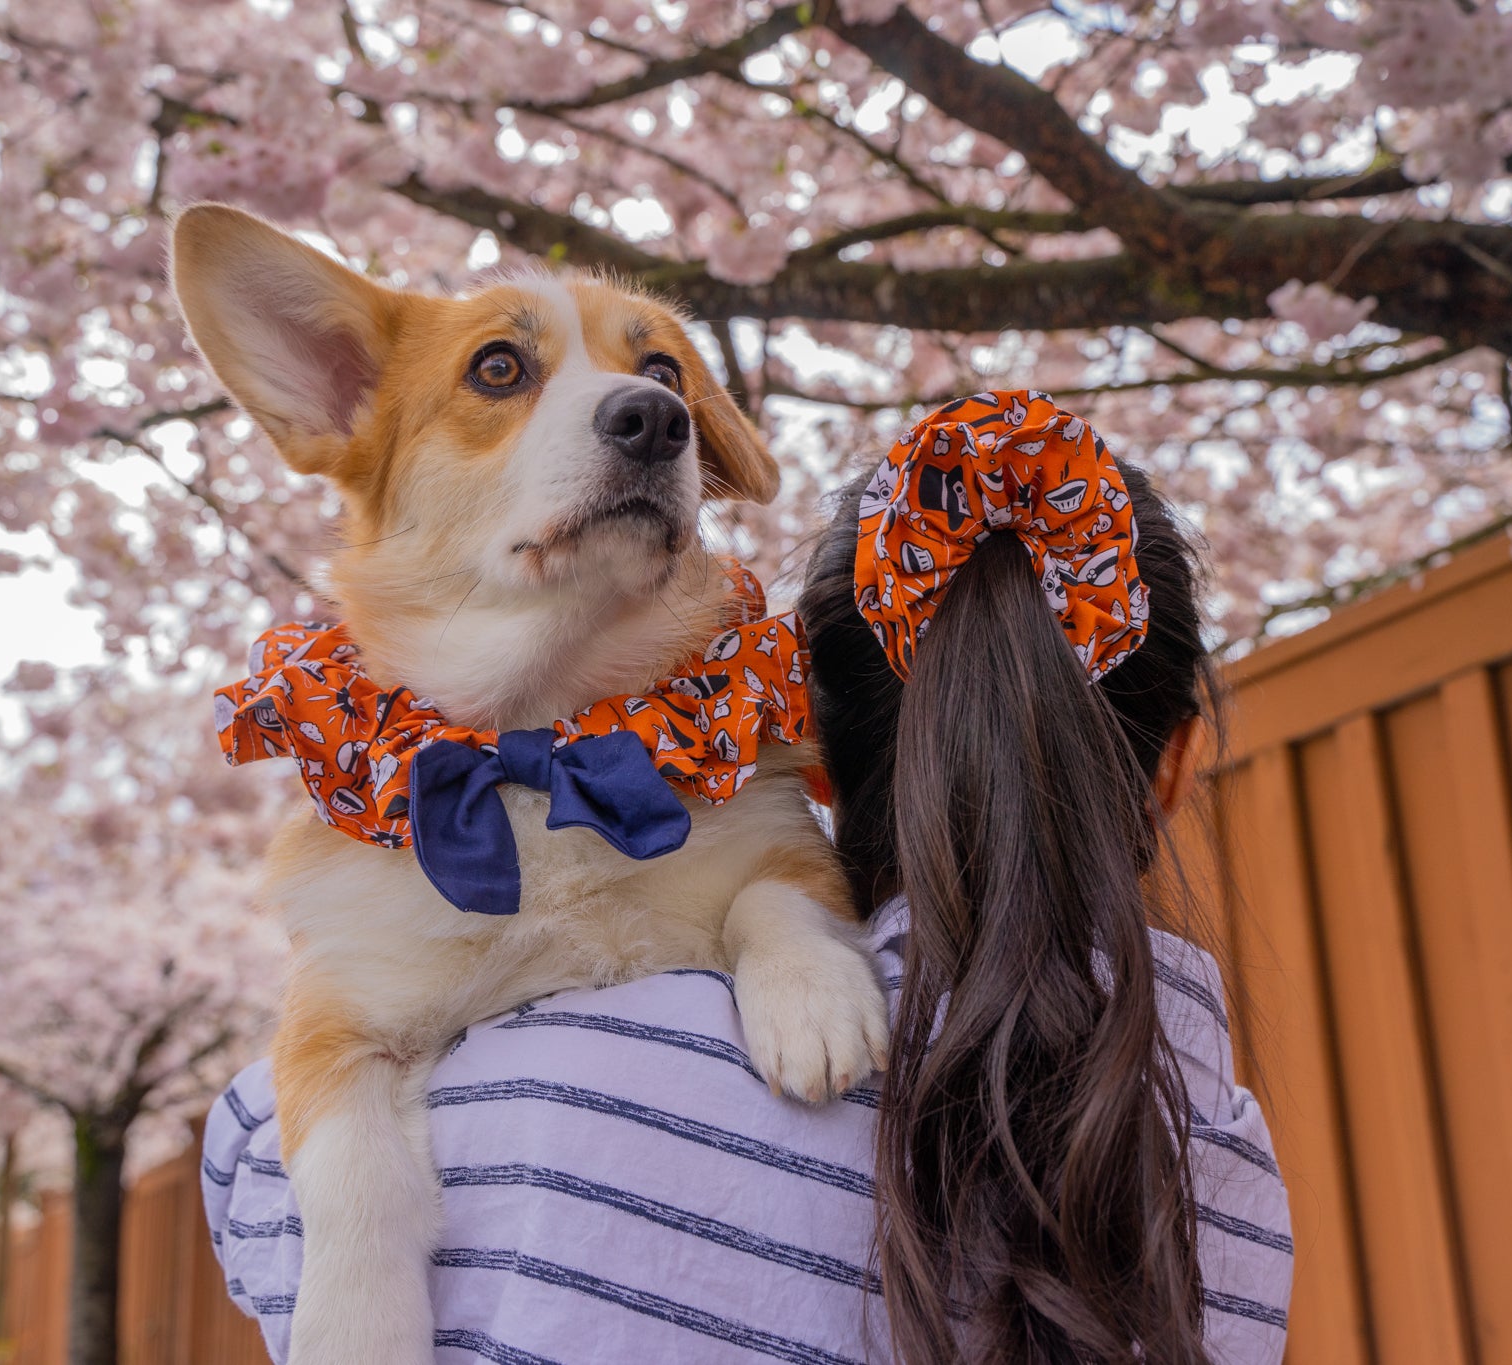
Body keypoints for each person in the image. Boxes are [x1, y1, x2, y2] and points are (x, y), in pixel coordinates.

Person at [204, 394, 1292, 1364]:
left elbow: (259, 1164)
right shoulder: (1225, 1180)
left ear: (801, 727)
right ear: (1179, 763)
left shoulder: (537, 1096)